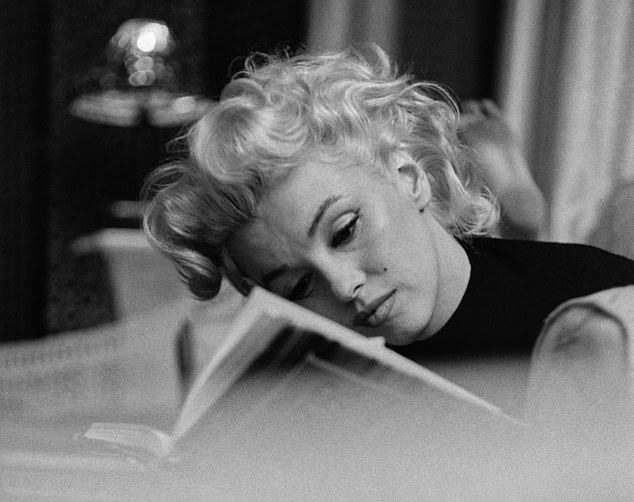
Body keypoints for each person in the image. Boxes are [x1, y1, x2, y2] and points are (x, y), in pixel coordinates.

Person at [142, 45, 634, 360]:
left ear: (409, 178)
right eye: (300, 285)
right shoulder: (303, 380)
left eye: (344, 231)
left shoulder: (603, 309)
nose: (343, 286)